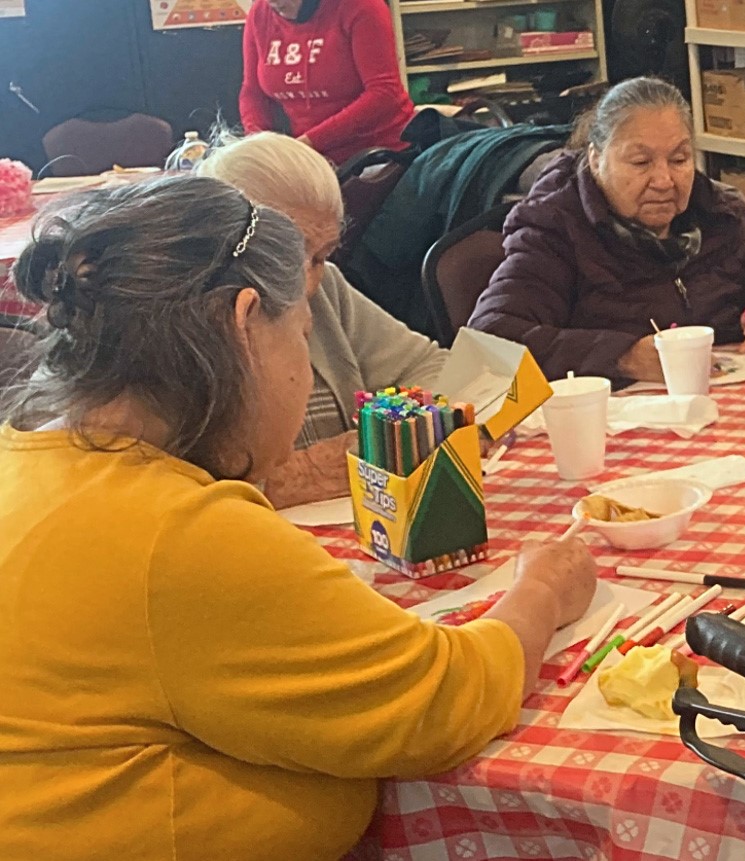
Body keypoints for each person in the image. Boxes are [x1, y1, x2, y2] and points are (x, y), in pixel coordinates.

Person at [0, 175, 597, 860]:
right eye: (303, 334)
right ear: (246, 322)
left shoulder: (25, 460)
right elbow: (445, 700)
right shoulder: (180, 530)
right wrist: (543, 589)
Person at [195, 131, 447, 509]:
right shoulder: (184, 323)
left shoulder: (328, 288)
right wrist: (297, 476)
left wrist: (391, 432)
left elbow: (432, 367)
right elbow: (164, 487)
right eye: (287, 253)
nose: (307, 282)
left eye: (321, 256)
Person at [469, 77, 745, 383]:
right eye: (641, 162)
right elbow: (489, 339)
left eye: (679, 159)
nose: (665, 180)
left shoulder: (722, 218)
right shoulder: (556, 227)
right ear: (596, 160)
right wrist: (622, 357)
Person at [238, 0, 415, 164]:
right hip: (311, 156)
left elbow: (385, 93)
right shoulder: (260, 12)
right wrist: (258, 145)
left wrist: (308, 143)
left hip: (379, 152)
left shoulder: (362, 6)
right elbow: (253, 92)